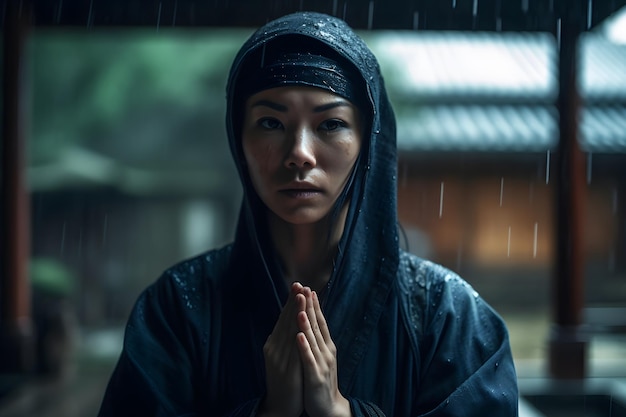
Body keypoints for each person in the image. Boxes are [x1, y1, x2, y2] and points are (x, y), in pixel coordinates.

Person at [98, 11, 518, 417]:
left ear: (368, 143)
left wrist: (340, 413)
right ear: (238, 139)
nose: (299, 152)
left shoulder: (449, 317)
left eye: (330, 124)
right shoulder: (175, 309)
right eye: (270, 123)